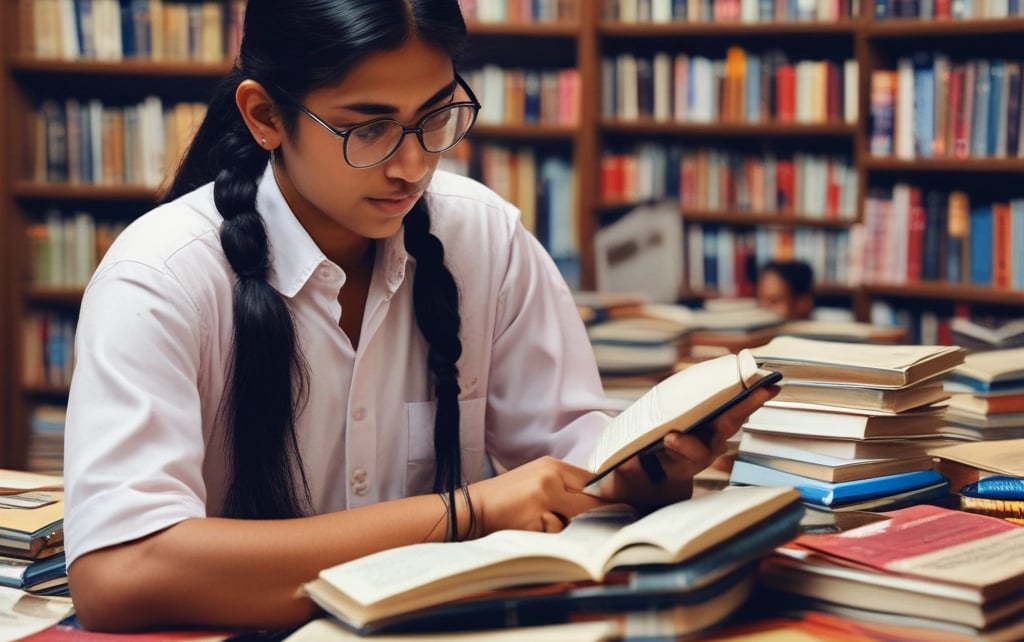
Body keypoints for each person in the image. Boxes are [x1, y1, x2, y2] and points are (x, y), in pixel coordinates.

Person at [62, 0, 777, 633]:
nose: (412, 165)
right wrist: (466, 514)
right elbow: (120, 576)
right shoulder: (160, 276)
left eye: (435, 117)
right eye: (368, 129)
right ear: (265, 116)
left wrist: (641, 475)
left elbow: (570, 462)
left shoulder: (484, 239)